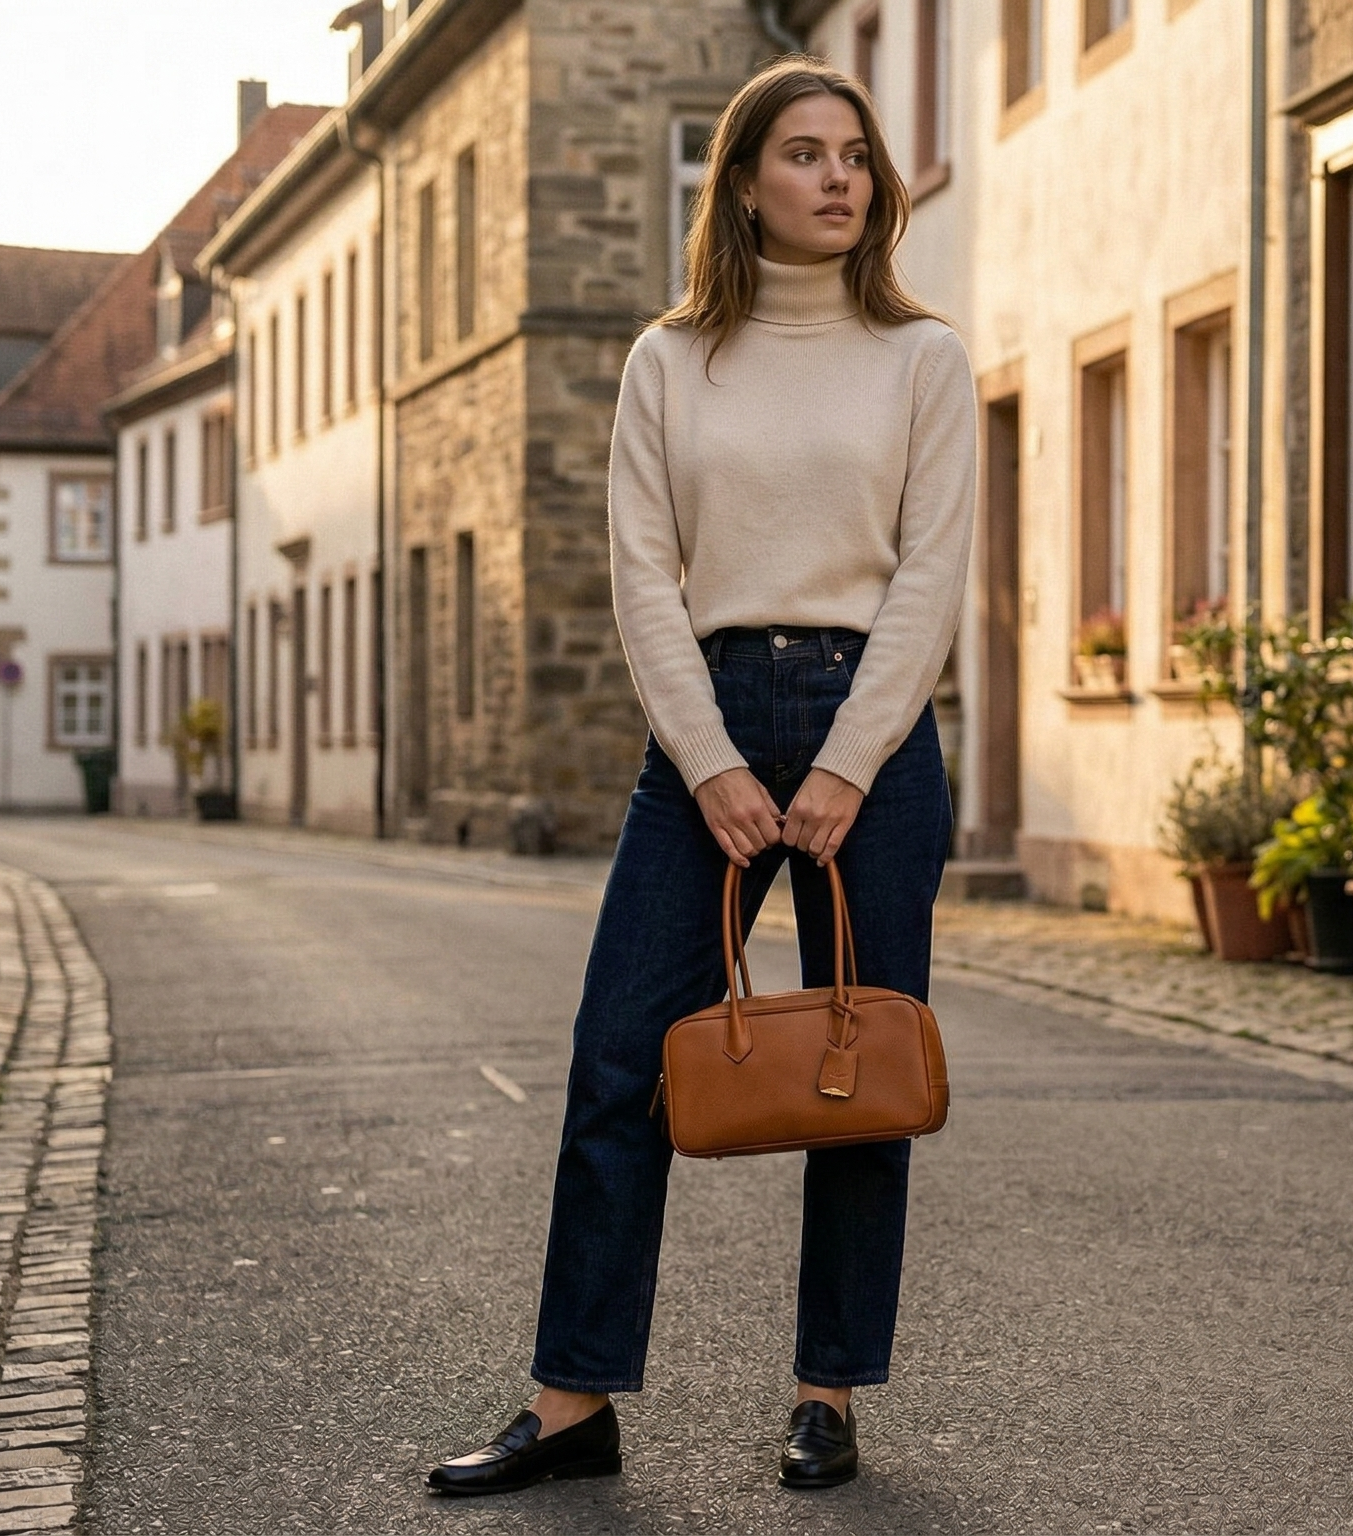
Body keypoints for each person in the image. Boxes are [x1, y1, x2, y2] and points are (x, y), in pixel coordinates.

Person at [426, 55, 974, 1498]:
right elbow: (642, 580)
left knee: (860, 1071)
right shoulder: (668, 361)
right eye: (803, 153)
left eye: (854, 155)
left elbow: (930, 580)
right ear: (740, 183)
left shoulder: (923, 357)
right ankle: (570, 1404)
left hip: (874, 734)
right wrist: (714, 760)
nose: (838, 177)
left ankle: (827, 1395)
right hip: (705, 728)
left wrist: (847, 762)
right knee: (620, 1060)